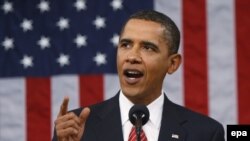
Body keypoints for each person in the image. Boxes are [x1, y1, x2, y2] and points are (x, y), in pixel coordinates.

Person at [52, 10, 225, 141]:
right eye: (126, 45)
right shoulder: (75, 128)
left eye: (148, 48)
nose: (132, 56)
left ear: (172, 64)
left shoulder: (206, 133)